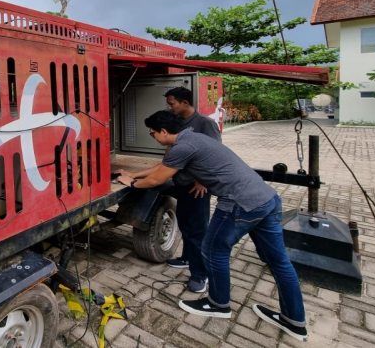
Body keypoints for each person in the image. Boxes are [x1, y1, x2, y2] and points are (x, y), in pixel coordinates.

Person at [116, 110, 308, 342]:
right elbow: (162, 167)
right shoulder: (195, 138)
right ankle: (294, 320)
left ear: (164, 132)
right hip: (266, 199)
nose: (153, 137)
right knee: (279, 261)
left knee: (213, 251)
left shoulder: (182, 147)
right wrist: (133, 173)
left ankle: (218, 304)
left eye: (153, 133)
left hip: (239, 203)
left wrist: (132, 183)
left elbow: (157, 179)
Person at [119, 87, 218, 293]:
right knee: (185, 225)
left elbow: (214, 154)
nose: (169, 107)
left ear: (184, 102)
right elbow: (166, 163)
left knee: (198, 231)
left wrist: (203, 182)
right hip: (182, 184)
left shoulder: (204, 124)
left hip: (198, 188)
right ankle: (187, 258)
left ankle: (201, 276)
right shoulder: (180, 126)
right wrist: (134, 175)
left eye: (172, 103)